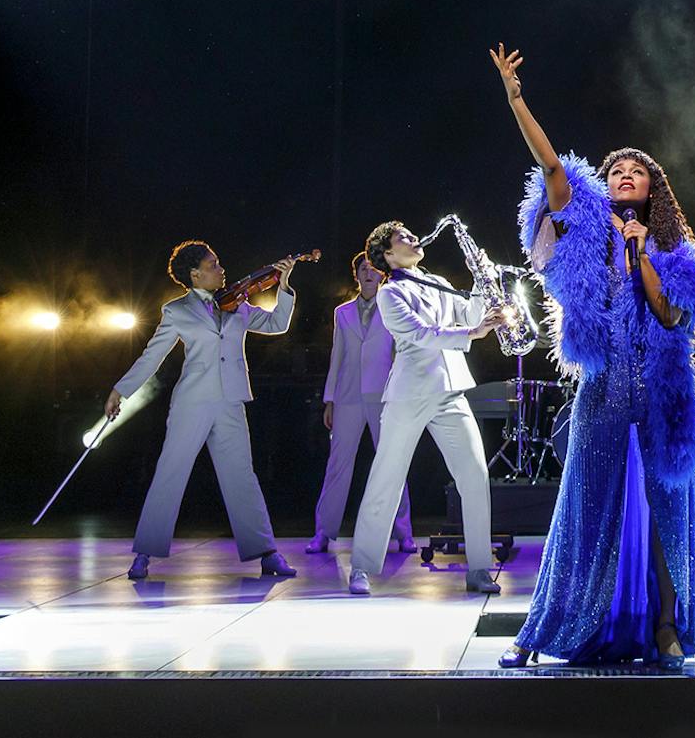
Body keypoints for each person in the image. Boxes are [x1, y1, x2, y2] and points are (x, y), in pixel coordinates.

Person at [492, 43, 695, 669]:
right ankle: (544, 629)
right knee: (584, 508)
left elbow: (671, 314)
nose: (624, 175)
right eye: (615, 169)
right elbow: (551, 171)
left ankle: (668, 632)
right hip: (600, 391)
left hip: (661, 396)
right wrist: (517, 99)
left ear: (654, 189)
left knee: (669, 514)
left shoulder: (672, 252)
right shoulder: (589, 232)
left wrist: (642, 251)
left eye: (637, 171)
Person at [108, 240, 300, 581]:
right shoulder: (176, 311)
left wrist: (283, 285)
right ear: (195, 274)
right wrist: (120, 390)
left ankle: (267, 554)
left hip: (230, 401)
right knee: (171, 472)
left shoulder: (237, 305)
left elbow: (276, 325)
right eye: (213, 265)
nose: (221, 269)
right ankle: (144, 554)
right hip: (193, 403)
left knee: (242, 477)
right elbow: (152, 356)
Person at [345, 222, 506, 595]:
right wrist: (472, 333)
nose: (414, 238)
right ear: (387, 254)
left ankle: (479, 567)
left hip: (451, 391)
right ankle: (362, 566)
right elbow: (420, 335)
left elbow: (469, 314)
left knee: (475, 475)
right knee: (386, 477)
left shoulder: (438, 283)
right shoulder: (390, 294)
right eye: (403, 237)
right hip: (410, 394)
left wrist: (484, 280)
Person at [309, 254, 412, 555]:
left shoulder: (393, 307)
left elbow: (401, 352)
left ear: (382, 275)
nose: (368, 273)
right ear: (355, 275)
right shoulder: (342, 313)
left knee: (393, 463)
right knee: (338, 465)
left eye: (373, 269)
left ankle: (403, 532)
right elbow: (336, 356)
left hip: (385, 395)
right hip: (348, 396)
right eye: (363, 269)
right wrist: (330, 399)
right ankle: (323, 533)